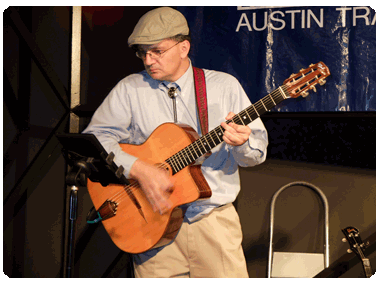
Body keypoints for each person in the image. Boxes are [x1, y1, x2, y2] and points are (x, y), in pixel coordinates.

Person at [83, 6, 268, 278]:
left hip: (213, 223)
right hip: (151, 220)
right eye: (142, 52)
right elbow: (96, 138)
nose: (148, 60)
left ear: (184, 48)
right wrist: (139, 169)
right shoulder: (130, 88)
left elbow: (256, 154)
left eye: (157, 51)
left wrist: (240, 144)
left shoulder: (223, 86)